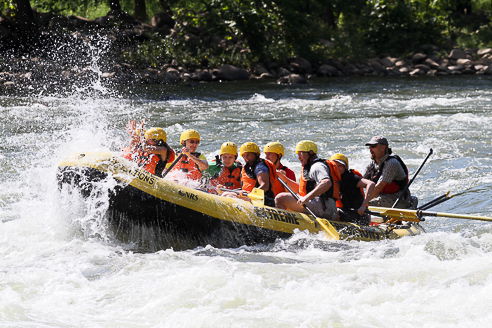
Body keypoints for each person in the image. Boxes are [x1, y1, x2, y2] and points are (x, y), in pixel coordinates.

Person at [275, 140, 339, 220]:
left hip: (325, 208)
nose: (299, 157)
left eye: (301, 153)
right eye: (298, 154)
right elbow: (300, 190)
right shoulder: (309, 166)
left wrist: (307, 198)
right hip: (320, 205)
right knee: (287, 198)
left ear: (311, 153)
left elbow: (326, 183)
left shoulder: (317, 166)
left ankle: (281, 227)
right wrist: (284, 179)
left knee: (281, 198)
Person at [223, 142, 281, 206]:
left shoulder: (260, 167)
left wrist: (250, 195)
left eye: (248, 155)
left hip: (265, 200)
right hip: (254, 197)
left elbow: (265, 186)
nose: (246, 157)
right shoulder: (250, 167)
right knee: (226, 194)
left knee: (227, 195)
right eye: (244, 155)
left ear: (256, 154)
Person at [362, 136, 413, 208]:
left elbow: (379, 187)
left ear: (383, 148)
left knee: (365, 204)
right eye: (369, 146)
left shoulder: (392, 163)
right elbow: (360, 181)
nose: (370, 149)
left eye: (373, 146)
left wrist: (363, 203)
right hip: (382, 197)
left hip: (398, 200)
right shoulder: (372, 164)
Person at [330, 153, 375, 225]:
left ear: (345, 167)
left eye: (340, 166)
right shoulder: (331, 179)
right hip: (346, 211)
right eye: (335, 165)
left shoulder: (351, 177)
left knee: (332, 213)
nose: (337, 168)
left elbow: (371, 184)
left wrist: (363, 206)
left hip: (360, 215)